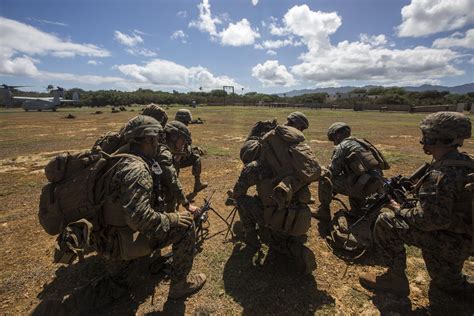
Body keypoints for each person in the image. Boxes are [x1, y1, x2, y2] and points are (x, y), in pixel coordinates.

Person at [35, 116, 206, 314]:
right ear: (148, 139)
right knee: (185, 227)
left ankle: (64, 308)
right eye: (157, 139)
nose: (160, 144)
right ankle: (179, 286)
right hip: (120, 243)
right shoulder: (137, 169)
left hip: (103, 239)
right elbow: (140, 219)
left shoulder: (114, 160)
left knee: (118, 285)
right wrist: (174, 217)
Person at [359, 112, 473, 297]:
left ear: (438, 138)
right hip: (464, 235)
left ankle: (395, 280)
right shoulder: (465, 162)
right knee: (446, 285)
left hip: (452, 240)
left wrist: (399, 208)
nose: (423, 139)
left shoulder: (440, 175)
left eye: (426, 135)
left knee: (386, 222)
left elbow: (428, 221)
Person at [231, 117, 321, 274]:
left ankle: (251, 237)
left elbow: (239, 191)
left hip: (275, 215)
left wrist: (234, 196)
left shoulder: (257, 165)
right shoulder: (295, 154)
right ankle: (292, 243)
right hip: (299, 215)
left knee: (242, 201)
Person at [315, 122, 388, 229]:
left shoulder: (342, 146)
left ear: (337, 135)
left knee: (325, 179)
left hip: (363, 186)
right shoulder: (361, 142)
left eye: (333, 139)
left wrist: (323, 169)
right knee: (351, 178)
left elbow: (333, 171)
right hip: (376, 185)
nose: (334, 143)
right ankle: (358, 210)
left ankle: (323, 212)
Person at [174, 109, 208, 199]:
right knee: (196, 157)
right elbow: (186, 149)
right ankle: (197, 184)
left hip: (165, 159)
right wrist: (195, 149)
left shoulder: (168, 127)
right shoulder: (184, 130)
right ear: (187, 120)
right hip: (176, 161)